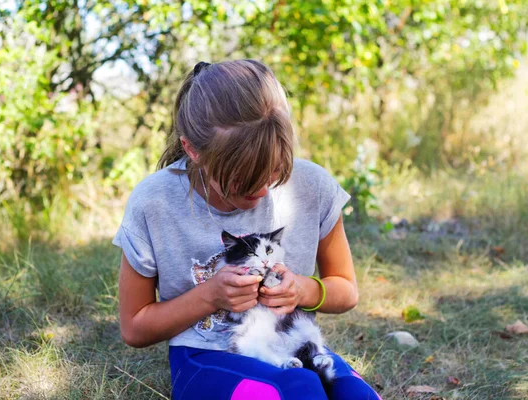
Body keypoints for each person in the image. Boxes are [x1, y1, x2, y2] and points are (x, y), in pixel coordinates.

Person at [113, 59, 382, 400]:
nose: (261, 193)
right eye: (240, 183)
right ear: (192, 150)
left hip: (292, 344)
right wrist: (209, 295)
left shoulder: (312, 186)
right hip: (206, 355)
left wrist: (302, 290)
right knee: (300, 391)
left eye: (274, 173)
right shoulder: (154, 203)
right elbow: (134, 327)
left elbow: (346, 290)